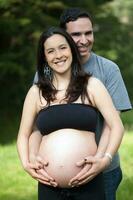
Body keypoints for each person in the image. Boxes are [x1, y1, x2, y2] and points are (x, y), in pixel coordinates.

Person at [17, 26, 124, 200]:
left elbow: (116, 126)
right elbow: (23, 134)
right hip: (49, 185)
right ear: (44, 57)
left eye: (62, 48)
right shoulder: (36, 92)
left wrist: (105, 159)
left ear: (72, 50)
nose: (58, 55)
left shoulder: (92, 85)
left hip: (90, 183)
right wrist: (26, 163)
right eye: (50, 51)